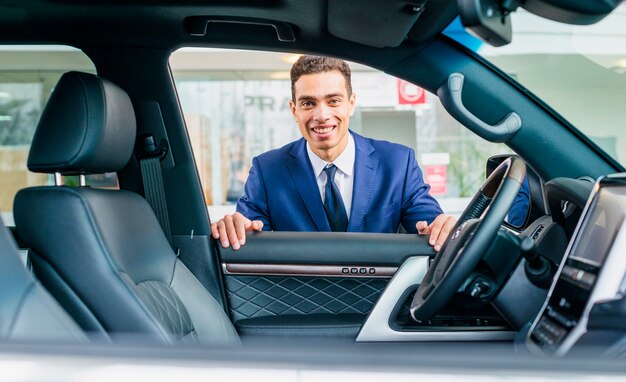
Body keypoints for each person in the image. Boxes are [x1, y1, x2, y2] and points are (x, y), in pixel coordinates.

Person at [211, 55, 457, 251]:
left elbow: (431, 227)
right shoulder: (267, 170)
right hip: (299, 305)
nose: (321, 115)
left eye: (333, 101)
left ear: (351, 103)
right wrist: (235, 227)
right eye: (308, 103)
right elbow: (247, 234)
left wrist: (444, 227)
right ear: (294, 109)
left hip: (382, 300)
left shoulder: (398, 162)